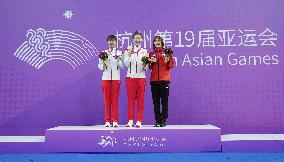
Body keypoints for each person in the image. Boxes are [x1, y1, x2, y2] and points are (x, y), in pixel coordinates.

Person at [124, 31, 148, 128]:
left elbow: (146, 66)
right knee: (131, 100)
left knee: (140, 100)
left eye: (139, 38)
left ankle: (139, 120)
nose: (137, 40)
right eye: (135, 38)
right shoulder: (127, 50)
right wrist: (129, 54)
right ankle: (130, 120)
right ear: (133, 40)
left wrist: (145, 66)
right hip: (130, 78)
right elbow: (125, 64)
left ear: (142, 40)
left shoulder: (145, 52)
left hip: (141, 78)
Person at [148, 35, 174, 127]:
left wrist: (167, 60)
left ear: (162, 42)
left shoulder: (167, 52)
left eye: (159, 41)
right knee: (155, 102)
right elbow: (150, 67)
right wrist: (151, 62)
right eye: (155, 41)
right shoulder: (151, 54)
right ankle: (157, 120)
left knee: (164, 101)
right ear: (154, 43)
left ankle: (163, 120)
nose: (157, 42)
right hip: (154, 81)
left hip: (164, 81)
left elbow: (171, 65)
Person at [98, 35, 123, 128]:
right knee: (106, 100)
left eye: (113, 41)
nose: (111, 42)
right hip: (106, 78)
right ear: (107, 42)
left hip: (116, 79)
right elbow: (99, 66)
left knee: (115, 100)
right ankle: (107, 121)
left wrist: (120, 60)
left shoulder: (119, 53)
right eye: (109, 41)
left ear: (116, 42)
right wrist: (104, 64)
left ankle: (115, 121)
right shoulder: (103, 53)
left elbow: (122, 66)